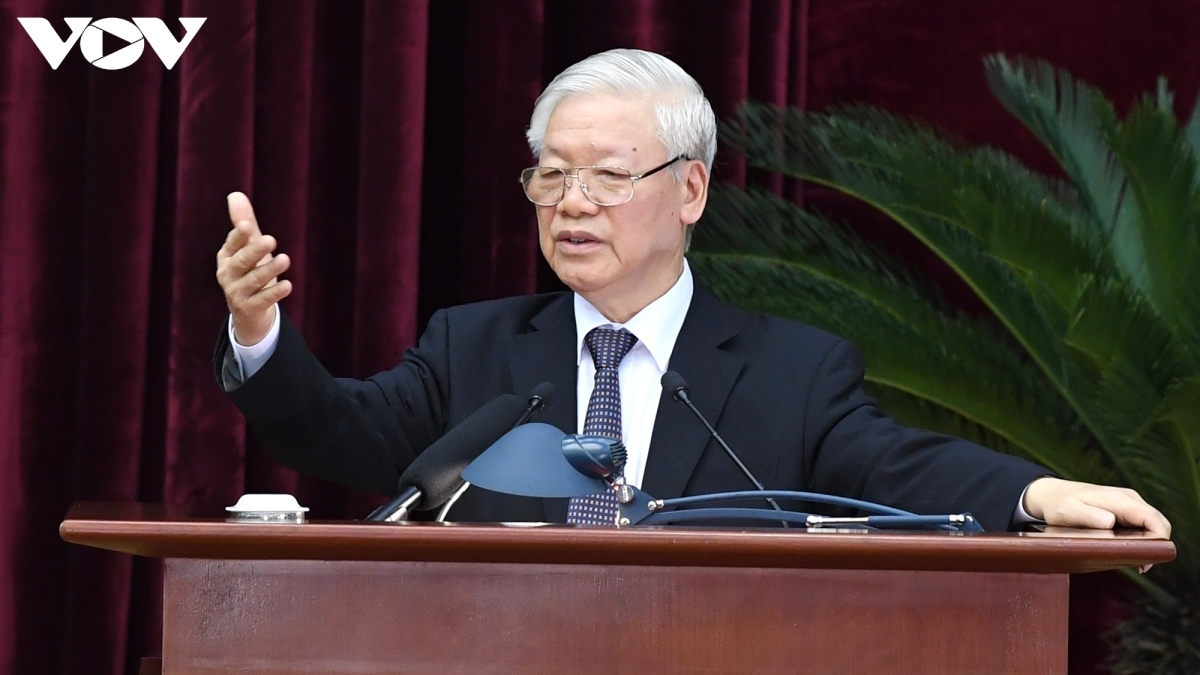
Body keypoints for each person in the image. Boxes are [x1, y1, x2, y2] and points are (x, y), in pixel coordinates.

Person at [215, 48, 1170, 537]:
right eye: (551, 176)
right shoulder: (475, 350)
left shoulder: (792, 371)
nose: (571, 203)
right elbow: (338, 432)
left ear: (691, 188)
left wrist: (1032, 491)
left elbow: (891, 470)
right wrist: (260, 328)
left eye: (607, 176)